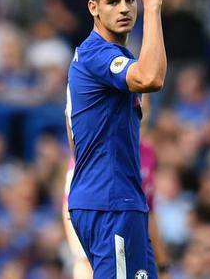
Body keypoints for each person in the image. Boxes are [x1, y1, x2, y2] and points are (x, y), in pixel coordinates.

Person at [65, 0, 167, 279]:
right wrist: (152, 8)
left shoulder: (101, 56)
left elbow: (73, 135)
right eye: (113, 1)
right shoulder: (98, 55)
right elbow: (151, 77)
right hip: (110, 203)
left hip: (118, 200)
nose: (124, 8)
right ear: (93, 8)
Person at [62, 94, 171, 278]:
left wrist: (162, 265)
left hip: (134, 237)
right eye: (137, 102)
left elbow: (150, 211)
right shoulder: (99, 147)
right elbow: (68, 206)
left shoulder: (148, 152)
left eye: (144, 103)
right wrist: (82, 258)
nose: (141, 107)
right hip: (102, 241)